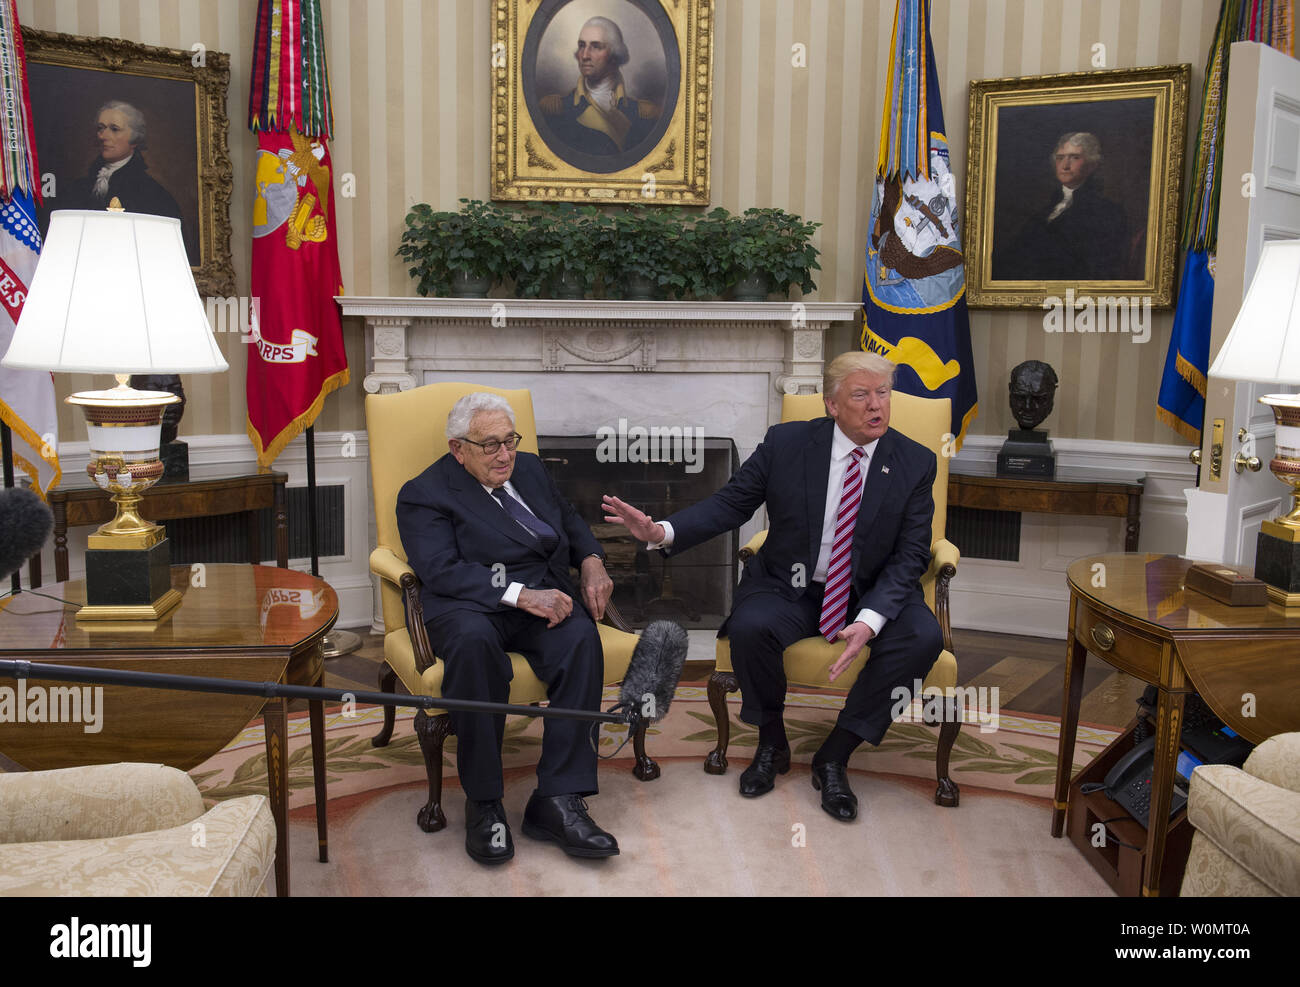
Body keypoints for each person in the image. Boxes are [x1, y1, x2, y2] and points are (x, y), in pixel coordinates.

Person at [603, 352, 943, 822]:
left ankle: (836, 754)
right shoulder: (787, 444)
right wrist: (662, 532)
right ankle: (772, 741)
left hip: (871, 590)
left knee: (923, 637)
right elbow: (731, 504)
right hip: (794, 584)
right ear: (831, 404)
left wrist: (868, 621)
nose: (875, 406)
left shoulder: (915, 462)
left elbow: (911, 555)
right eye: (861, 395)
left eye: (882, 393)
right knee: (750, 626)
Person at [396, 393, 619, 865]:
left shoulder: (532, 469)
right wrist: (520, 594)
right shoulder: (424, 493)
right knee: (476, 650)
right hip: (468, 607)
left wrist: (592, 560)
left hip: (542, 598)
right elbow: (440, 569)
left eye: (510, 441)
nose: (505, 455)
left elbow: (569, 520)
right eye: (490, 445)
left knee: (580, 639)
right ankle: (484, 804)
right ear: (459, 449)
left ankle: (556, 800)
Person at [993, 132, 1128, 281]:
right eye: (1060, 158)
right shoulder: (1046, 210)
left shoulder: (1108, 212)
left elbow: (1098, 266)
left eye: (1075, 157)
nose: (1065, 165)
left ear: (1092, 165)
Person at [539, 16, 661, 157]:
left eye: (596, 47)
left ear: (615, 54)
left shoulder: (646, 114)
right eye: (582, 45)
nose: (584, 55)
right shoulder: (554, 110)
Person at [61, 101, 183, 222]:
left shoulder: (153, 195)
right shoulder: (78, 187)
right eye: (100, 128)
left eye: (114, 129)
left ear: (135, 138)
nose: (103, 136)